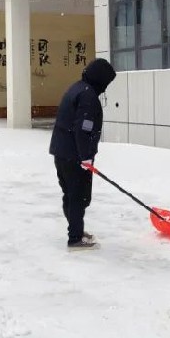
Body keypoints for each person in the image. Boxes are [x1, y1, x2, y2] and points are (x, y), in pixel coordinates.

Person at [49, 58, 117, 249]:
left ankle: (76, 230)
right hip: (74, 156)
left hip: (62, 152)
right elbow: (83, 129)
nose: (106, 87)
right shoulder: (88, 96)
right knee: (79, 197)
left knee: (71, 194)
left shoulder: (77, 88)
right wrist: (86, 156)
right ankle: (75, 238)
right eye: (107, 82)